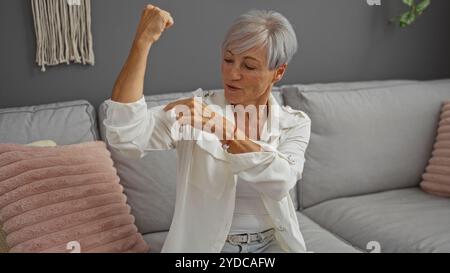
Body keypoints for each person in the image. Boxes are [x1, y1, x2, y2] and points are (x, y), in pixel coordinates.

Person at [103, 4, 311, 253]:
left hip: (274, 245)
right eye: (227, 59)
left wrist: (223, 130)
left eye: (249, 66)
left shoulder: (295, 122)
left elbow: (281, 181)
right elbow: (125, 137)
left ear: (278, 72)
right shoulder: (196, 110)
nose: (232, 74)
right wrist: (142, 42)